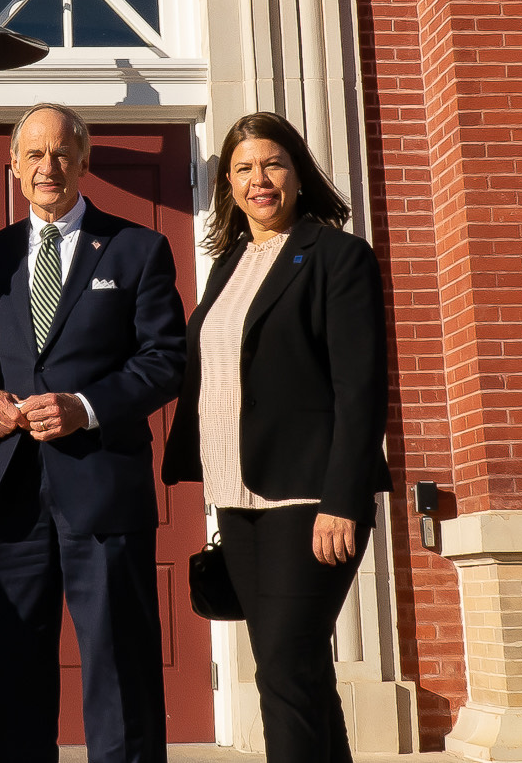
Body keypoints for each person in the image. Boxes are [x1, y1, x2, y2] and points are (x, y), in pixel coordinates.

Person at [0, 103, 186, 763]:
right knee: (10, 672)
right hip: (8, 494)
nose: (47, 167)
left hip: (103, 489)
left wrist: (86, 406)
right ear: (14, 167)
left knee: (120, 669)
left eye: (60, 153)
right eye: (34, 155)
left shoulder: (137, 248)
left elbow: (166, 360)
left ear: (83, 161)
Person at [162, 111, 393, 763]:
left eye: (272, 164)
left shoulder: (338, 256)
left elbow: (360, 389)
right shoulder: (229, 264)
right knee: (296, 669)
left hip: (309, 497)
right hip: (238, 497)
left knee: (286, 669)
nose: (258, 179)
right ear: (227, 186)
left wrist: (342, 500)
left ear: (298, 173)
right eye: (242, 169)